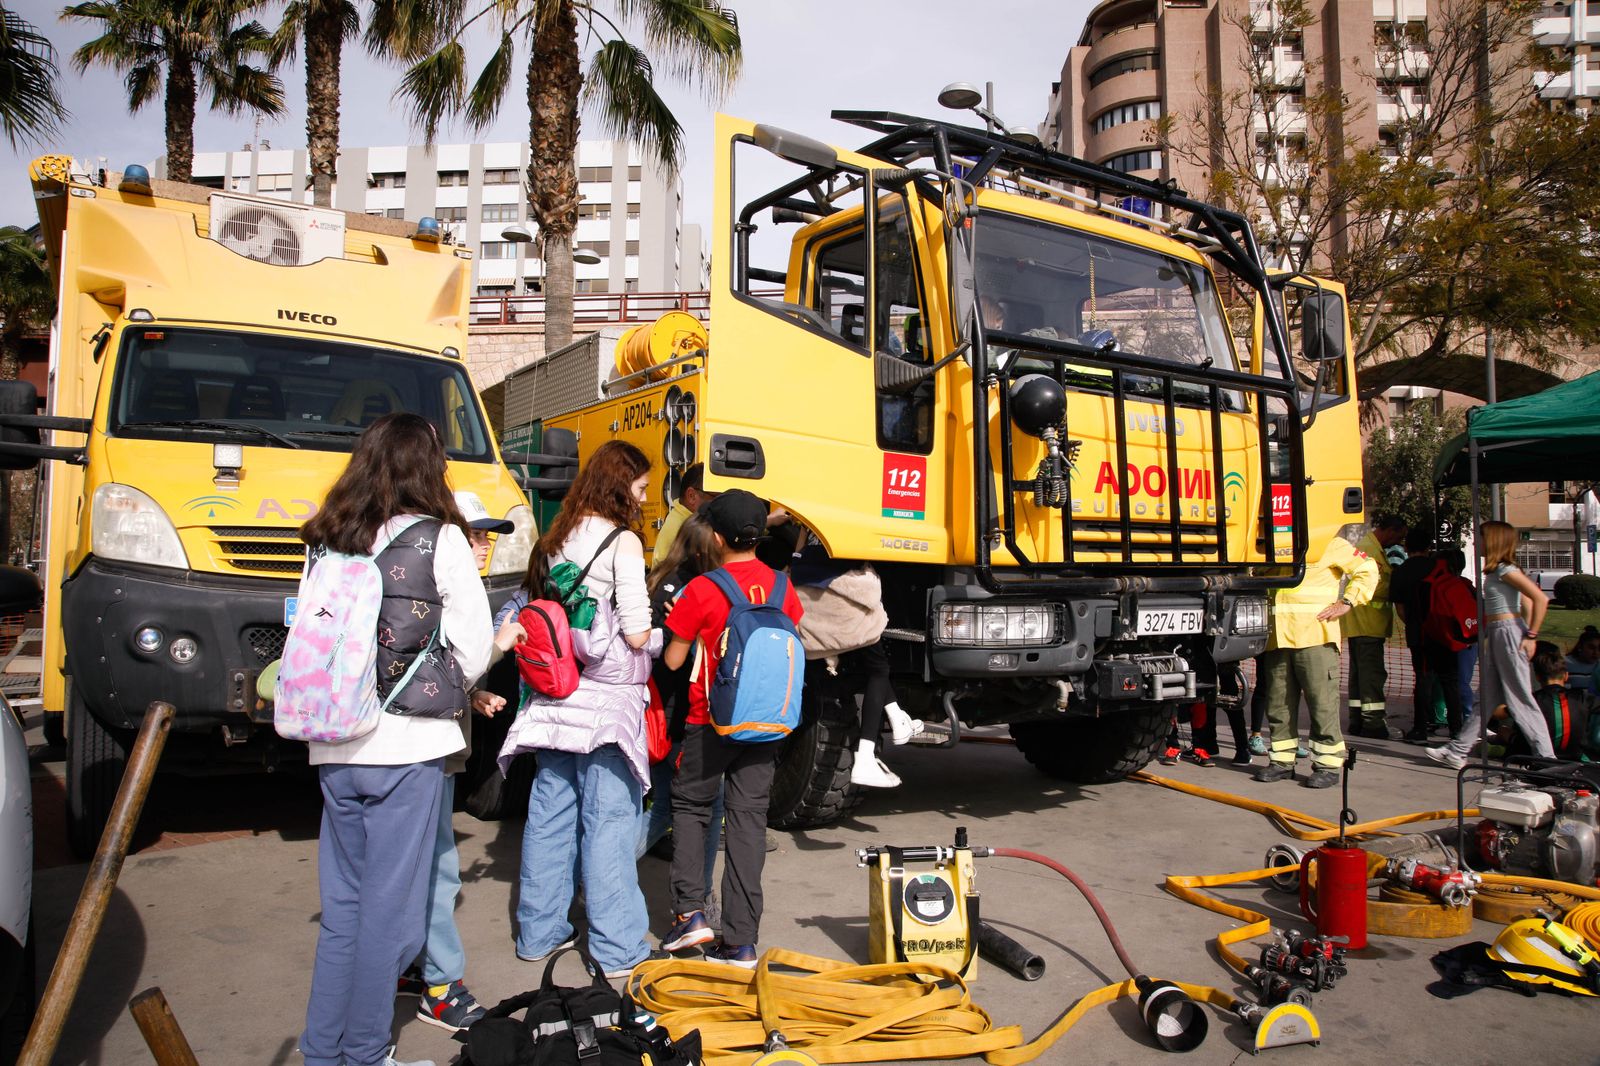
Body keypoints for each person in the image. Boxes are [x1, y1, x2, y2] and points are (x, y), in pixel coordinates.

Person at [298, 413, 492, 1066]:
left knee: (344, 914)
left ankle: (325, 1052)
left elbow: (317, 624)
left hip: (334, 744)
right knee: (394, 918)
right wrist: (429, 686)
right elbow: (474, 645)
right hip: (404, 749)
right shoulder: (441, 540)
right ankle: (368, 1052)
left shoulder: (330, 537)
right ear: (427, 467)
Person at [500, 440, 662, 979]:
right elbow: (637, 632)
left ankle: (539, 932)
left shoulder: (554, 539)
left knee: (549, 816)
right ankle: (618, 948)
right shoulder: (623, 544)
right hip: (606, 704)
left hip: (554, 695)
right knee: (610, 821)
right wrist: (666, 633)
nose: (643, 498)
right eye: (639, 488)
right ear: (620, 486)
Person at [660, 490, 803, 967]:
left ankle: (689, 916)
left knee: (693, 810)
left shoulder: (703, 588)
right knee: (747, 821)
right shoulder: (785, 589)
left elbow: (675, 659)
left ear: (716, 537)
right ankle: (740, 941)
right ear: (760, 535)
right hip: (765, 723)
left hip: (709, 719)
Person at [397, 491, 523, 1032]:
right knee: (438, 868)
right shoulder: (448, 587)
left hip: (413, 744)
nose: (483, 544)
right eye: (473, 534)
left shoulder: (412, 580)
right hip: (424, 748)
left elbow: (429, 664)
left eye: (487, 535)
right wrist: (499, 644)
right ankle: (442, 986)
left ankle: (409, 964)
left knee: (407, 864)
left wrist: (471, 696)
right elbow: (460, 658)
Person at [638, 516, 725, 885]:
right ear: (706, 549)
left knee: (665, 804)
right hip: (680, 719)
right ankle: (701, 900)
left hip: (657, 712)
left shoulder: (661, 579)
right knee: (698, 806)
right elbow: (682, 662)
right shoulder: (692, 589)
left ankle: (594, 873)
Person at [1255, 534, 1379, 788]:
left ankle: (1328, 765)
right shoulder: (1272, 544)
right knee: (1279, 705)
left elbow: (1367, 568)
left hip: (1315, 638)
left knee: (1322, 704)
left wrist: (1347, 601)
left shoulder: (1329, 542)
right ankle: (1281, 762)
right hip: (1278, 639)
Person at [1433, 521, 1554, 765]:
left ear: (1494, 540)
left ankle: (1547, 757)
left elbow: (1539, 599)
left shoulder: (1504, 569)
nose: (1477, 543)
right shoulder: (1500, 570)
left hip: (1508, 633)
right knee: (1485, 698)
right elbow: (1528, 604)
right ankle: (1458, 750)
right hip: (1500, 633)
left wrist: (1531, 636)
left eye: (1481, 538)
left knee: (1520, 699)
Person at [1344, 516, 1408, 739]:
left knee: (1360, 676)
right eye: (1399, 536)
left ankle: (1357, 720)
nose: (1399, 542)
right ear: (1390, 530)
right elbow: (1372, 584)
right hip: (1367, 623)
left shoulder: (1370, 547)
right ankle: (1373, 724)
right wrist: (1398, 586)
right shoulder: (1368, 550)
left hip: (1363, 623)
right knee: (1372, 676)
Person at [1418, 549, 1481, 769]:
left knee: (1438, 683)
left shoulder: (1428, 583)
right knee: (1457, 685)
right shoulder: (1464, 584)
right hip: (1464, 640)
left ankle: (1431, 728)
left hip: (1438, 640)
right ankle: (1458, 734)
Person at [1389, 526, 1447, 742]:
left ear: (1406, 546)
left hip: (1419, 632)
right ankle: (1456, 727)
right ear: (1429, 546)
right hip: (1445, 630)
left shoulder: (1401, 571)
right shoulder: (1439, 567)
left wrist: (1414, 623)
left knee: (1422, 679)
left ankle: (1420, 728)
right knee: (1449, 679)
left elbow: (1400, 608)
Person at [1488, 643, 1589, 761]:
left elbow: (1497, 713)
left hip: (1535, 755)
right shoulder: (1582, 697)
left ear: (1537, 677)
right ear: (1566, 676)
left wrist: (1512, 701)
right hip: (1574, 756)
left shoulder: (1532, 700)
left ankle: (1499, 750)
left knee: (1503, 730)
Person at [655, 463, 716, 562]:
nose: (720, 503)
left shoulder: (678, 520)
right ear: (691, 496)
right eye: (715, 496)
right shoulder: (684, 530)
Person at [1566, 627, 1600, 696]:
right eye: (1591, 648)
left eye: (1599, 648)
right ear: (1580, 647)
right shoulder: (1564, 664)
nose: (1596, 652)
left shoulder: (1598, 666)